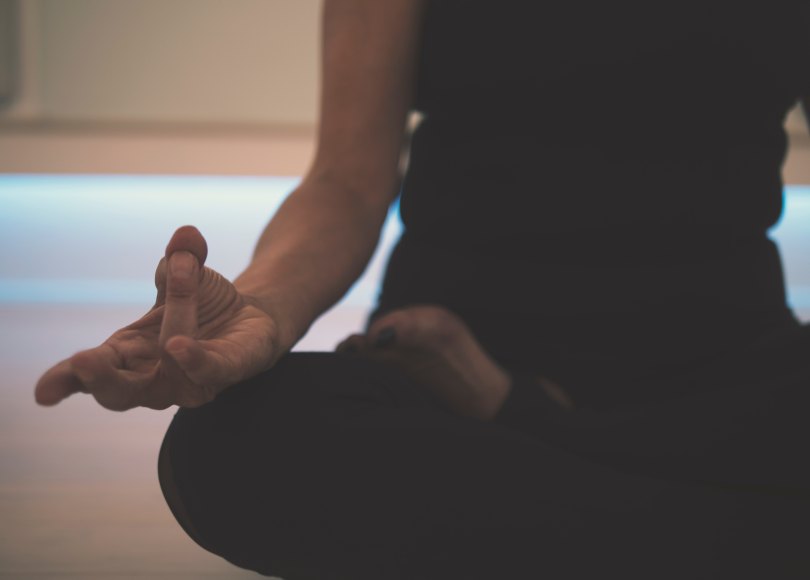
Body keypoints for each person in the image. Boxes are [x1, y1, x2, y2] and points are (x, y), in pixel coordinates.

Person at [35, 1, 810, 578]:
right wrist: (262, 309)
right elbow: (345, 180)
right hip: (436, 369)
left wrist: (518, 417)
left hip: (723, 373)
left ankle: (524, 433)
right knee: (230, 449)